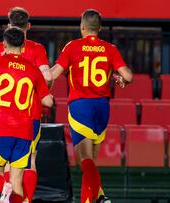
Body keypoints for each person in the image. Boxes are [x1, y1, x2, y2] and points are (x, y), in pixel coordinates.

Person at [50, 9, 133, 203]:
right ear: (100, 28)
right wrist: (119, 77)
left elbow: (53, 74)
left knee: (84, 159)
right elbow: (128, 76)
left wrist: (38, 78)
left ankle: (101, 197)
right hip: (102, 108)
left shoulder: (72, 46)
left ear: (82, 27)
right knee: (91, 162)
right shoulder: (110, 48)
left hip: (81, 106)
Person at [0, 6, 52, 202]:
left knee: (2, 168)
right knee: (29, 162)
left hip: (2, 119)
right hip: (30, 115)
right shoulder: (37, 49)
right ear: (28, 26)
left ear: (8, 26)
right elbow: (46, 77)